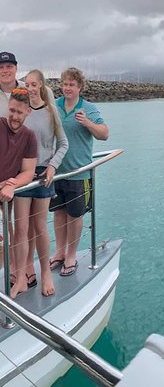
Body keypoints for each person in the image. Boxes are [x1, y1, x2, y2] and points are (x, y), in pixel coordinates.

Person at [12, 70, 68, 297]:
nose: (31, 88)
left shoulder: (51, 111)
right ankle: (22, 275)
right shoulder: (23, 112)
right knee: (21, 229)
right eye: (28, 84)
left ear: (42, 85)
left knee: (40, 227)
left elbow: (63, 144)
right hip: (22, 173)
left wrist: (53, 166)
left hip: (44, 173)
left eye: (34, 84)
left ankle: (45, 272)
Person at [50, 67, 108, 277]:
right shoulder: (54, 105)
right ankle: (59, 252)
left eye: (71, 85)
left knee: (75, 215)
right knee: (58, 213)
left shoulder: (88, 108)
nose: (67, 88)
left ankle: (71, 255)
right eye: (64, 84)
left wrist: (87, 123)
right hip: (56, 172)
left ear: (80, 87)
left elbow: (104, 134)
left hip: (79, 173)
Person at [0, 89, 38, 292]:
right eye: (12, 110)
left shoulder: (29, 137)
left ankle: (18, 274)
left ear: (28, 112)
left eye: (19, 113)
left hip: (7, 190)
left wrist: (11, 184)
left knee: (16, 232)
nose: (14, 116)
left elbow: (29, 171)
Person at [0, 52, 25, 117]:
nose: (5, 70)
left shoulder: (29, 90)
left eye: (9, 66)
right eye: (1, 67)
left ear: (16, 68)